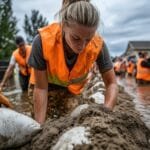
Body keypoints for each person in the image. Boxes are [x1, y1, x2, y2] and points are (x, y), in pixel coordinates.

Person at [29, 0, 118, 124]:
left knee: (73, 118)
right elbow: (41, 88)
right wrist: (39, 126)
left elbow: (111, 83)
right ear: (64, 25)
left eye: (88, 39)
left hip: (70, 90)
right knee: (40, 119)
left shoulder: (98, 45)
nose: (81, 46)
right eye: (76, 38)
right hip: (43, 86)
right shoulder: (43, 41)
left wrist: (106, 112)